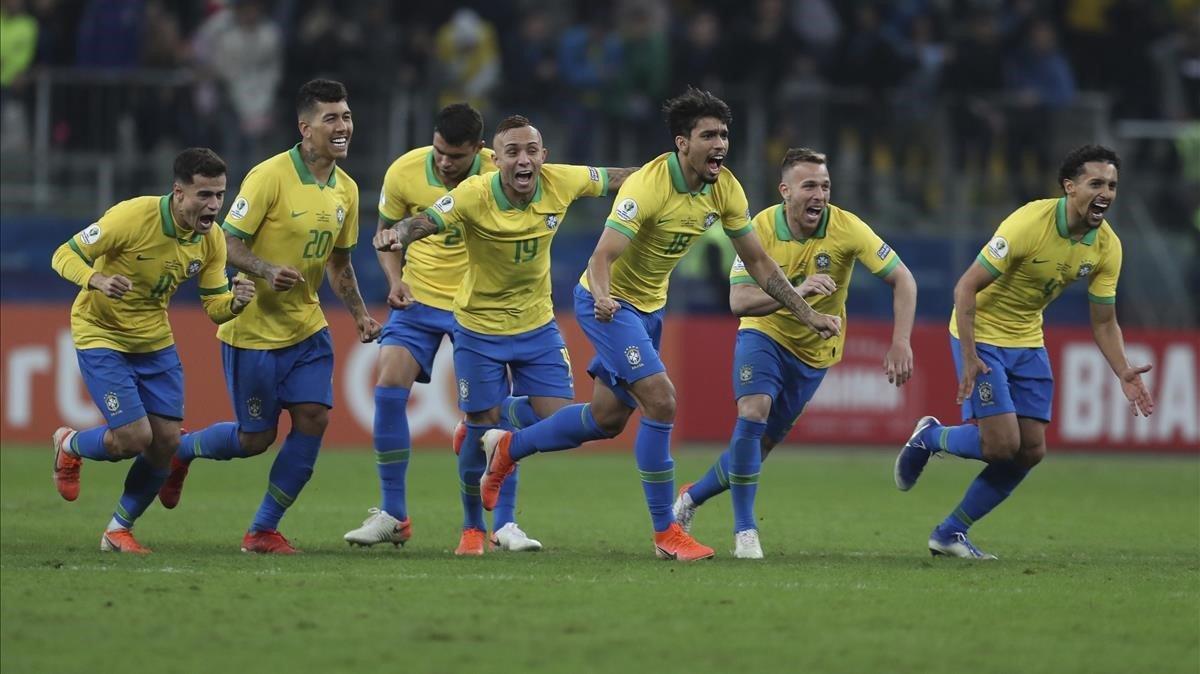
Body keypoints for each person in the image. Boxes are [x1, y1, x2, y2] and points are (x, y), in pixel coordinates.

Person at [473, 88, 843, 562]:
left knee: (605, 420)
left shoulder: (726, 188)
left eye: (724, 134)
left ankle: (508, 446)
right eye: (708, 135)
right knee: (662, 402)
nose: (720, 144)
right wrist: (605, 296)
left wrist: (806, 312)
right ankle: (667, 532)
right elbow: (602, 255)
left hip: (649, 310)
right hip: (607, 303)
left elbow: (760, 263)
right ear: (682, 143)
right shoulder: (648, 186)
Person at [373, 114, 634, 555]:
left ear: (543, 156)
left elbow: (620, 180)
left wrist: (671, 174)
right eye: (512, 151)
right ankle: (474, 529)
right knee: (482, 427)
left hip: (536, 325)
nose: (523, 159)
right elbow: (425, 221)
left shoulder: (561, 180)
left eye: (531, 150)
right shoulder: (473, 194)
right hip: (477, 327)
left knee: (553, 422)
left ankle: (489, 425)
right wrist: (397, 234)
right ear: (497, 160)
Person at [894, 144, 1155, 559]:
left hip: (1028, 340)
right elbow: (966, 286)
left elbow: (1104, 321)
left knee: (1031, 449)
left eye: (1112, 185)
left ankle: (950, 533)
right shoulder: (1028, 223)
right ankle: (931, 437)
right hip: (980, 333)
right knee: (1000, 445)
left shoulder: (1107, 247)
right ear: (1070, 187)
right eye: (1096, 183)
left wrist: (1122, 369)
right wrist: (969, 355)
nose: (1106, 192)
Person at [158, 79, 380, 554]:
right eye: (331, 119)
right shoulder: (269, 176)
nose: (343, 127)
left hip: (307, 328)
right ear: (305, 128)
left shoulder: (347, 190)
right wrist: (264, 269)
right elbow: (227, 241)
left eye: (346, 117)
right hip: (253, 330)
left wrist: (360, 315)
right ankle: (182, 450)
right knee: (254, 439)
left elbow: (339, 263)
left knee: (315, 417)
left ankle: (262, 529)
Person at [672, 148, 918, 558]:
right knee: (753, 411)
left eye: (824, 185)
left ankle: (692, 497)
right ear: (785, 191)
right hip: (764, 335)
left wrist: (901, 341)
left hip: (814, 353)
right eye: (809, 186)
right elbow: (739, 301)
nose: (819, 194)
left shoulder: (847, 228)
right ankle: (745, 532)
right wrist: (796, 292)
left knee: (757, 448)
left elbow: (904, 280)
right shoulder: (760, 228)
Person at [342, 103, 542, 552]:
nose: (444, 163)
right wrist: (394, 281)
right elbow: (387, 233)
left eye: (455, 156)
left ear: (479, 150)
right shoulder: (405, 172)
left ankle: (501, 523)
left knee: (495, 414)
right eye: (439, 152)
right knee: (389, 381)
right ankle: (394, 513)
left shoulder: (503, 170)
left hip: (478, 302)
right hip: (421, 295)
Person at [49, 147, 255, 553]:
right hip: (101, 332)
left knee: (166, 442)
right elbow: (63, 254)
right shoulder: (132, 217)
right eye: (204, 195)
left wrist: (235, 303)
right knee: (132, 438)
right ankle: (69, 444)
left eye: (219, 195)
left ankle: (117, 529)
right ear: (179, 193)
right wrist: (96, 279)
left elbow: (214, 306)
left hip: (154, 341)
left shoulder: (211, 241)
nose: (214, 205)